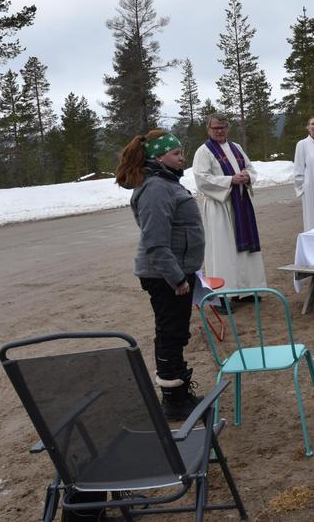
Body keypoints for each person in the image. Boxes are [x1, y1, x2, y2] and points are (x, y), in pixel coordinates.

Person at [116, 129, 204, 420]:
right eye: (177, 153)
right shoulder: (155, 188)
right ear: (158, 156)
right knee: (170, 333)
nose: (182, 158)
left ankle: (177, 391)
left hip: (174, 271)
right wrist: (177, 278)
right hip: (165, 275)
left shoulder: (165, 182)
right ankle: (174, 400)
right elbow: (155, 241)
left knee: (175, 331)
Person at [192, 114, 266, 289]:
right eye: (216, 128)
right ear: (208, 129)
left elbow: (249, 167)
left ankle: (248, 289)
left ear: (228, 128)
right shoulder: (204, 151)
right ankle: (224, 293)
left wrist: (247, 176)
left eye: (223, 127)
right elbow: (201, 179)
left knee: (245, 249)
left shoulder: (236, 147)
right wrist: (229, 180)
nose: (220, 131)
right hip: (220, 206)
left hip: (241, 203)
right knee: (223, 250)